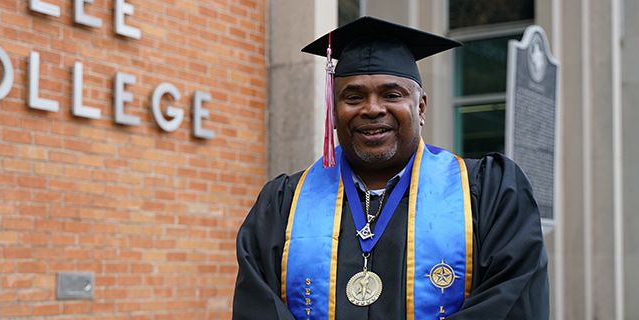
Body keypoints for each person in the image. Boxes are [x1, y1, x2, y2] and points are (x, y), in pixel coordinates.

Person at [232, 17, 549, 319]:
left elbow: (511, 302)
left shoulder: (488, 193)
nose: (372, 108)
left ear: (420, 107)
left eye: (391, 94)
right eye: (353, 97)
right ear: (333, 111)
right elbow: (256, 308)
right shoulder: (283, 204)